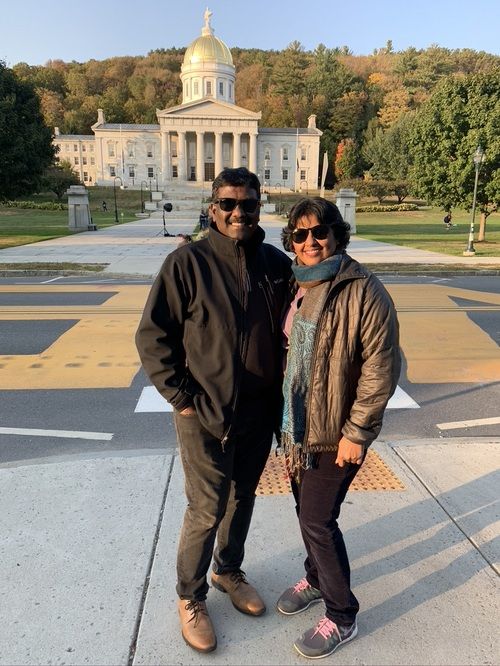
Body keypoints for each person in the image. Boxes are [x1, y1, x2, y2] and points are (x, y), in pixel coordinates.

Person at [135, 167, 292, 654]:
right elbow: (153, 337)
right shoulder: (187, 263)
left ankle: (228, 570)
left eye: (248, 204)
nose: (238, 212)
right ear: (213, 209)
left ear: (259, 207)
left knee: (242, 497)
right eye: (228, 204)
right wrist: (181, 398)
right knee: (206, 507)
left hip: (258, 411)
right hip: (203, 412)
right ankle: (190, 595)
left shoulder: (275, 264)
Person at [276, 197, 401, 660]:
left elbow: (380, 369)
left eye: (320, 231)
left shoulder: (364, 289)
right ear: (292, 241)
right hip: (298, 429)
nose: (310, 241)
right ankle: (315, 577)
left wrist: (357, 432)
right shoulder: (297, 282)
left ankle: (342, 615)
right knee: (304, 511)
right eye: (300, 234)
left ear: (337, 234)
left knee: (317, 519)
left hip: (337, 432)